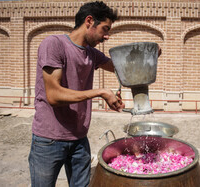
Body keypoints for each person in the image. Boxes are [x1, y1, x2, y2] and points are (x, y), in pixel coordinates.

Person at [28, 1, 125, 187]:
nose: (107, 36)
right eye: (105, 29)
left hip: (79, 139)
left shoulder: (92, 53)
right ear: (89, 21)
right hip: (49, 139)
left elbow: (122, 68)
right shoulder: (54, 44)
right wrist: (102, 92)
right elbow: (54, 96)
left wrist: (149, 54)